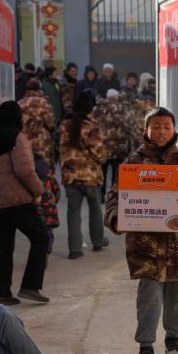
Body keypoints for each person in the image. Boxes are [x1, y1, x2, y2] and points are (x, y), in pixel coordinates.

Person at [104, 107, 178, 354]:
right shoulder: (132, 164)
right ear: (146, 130)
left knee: (177, 295)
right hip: (145, 245)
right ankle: (146, 348)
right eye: (156, 126)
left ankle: (173, 340)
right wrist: (116, 216)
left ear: (174, 130)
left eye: (166, 126)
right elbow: (115, 197)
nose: (161, 131)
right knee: (149, 295)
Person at [0, 101, 50, 305]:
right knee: (41, 237)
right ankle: (30, 286)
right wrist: (38, 191)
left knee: (4, 245)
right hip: (18, 200)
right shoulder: (16, 138)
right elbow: (24, 170)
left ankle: (2, 293)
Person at [60, 92, 109, 258]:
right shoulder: (91, 127)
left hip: (70, 176)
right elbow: (99, 154)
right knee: (95, 209)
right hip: (90, 177)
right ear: (90, 108)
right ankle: (98, 241)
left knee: (73, 212)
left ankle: (75, 249)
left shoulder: (64, 125)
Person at [91, 88, 141, 198]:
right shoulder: (123, 109)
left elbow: (92, 126)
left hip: (102, 147)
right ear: (117, 97)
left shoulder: (97, 109)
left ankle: (101, 195)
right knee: (116, 173)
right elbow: (130, 126)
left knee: (102, 172)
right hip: (119, 147)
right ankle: (114, 195)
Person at [19, 79, 57, 167]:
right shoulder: (43, 102)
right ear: (38, 89)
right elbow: (51, 122)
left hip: (25, 140)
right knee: (45, 165)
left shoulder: (20, 103)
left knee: (29, 165)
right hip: (42, 139)